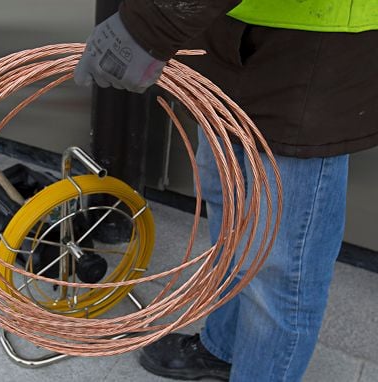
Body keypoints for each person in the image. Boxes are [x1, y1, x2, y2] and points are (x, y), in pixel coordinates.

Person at [74, 1, 378, 381]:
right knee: (230, 217)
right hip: (229, 31)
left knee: (281, 264)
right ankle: (225, 348)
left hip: (317, 48)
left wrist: (148, 25)